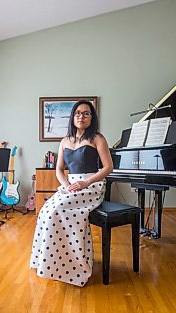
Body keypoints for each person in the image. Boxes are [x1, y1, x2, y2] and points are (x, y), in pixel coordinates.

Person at [30, 100, 113, 286]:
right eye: (77, 113)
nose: (81, 116)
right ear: (72, 117)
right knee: (46, 211)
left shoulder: (98, 139)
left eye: (86, 113)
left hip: (92, 184)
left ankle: (76, 266)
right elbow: (59, 169)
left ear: (92, 118)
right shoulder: (65, 141)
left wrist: (86, 182)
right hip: (71, 186)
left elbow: (108, 167)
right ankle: (51, 262)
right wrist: (66, 184)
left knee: (57, 209)